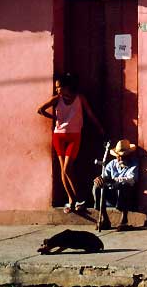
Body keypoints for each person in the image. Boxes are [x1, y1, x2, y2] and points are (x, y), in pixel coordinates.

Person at [37, 73, 104, 214]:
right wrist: (54, 118)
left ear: (66, 86)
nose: (57, 90)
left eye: (58, 87)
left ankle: (77, 199)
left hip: (75, 137)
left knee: (67, 169)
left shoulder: (80, 98)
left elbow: (90, 113)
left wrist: (99, 127)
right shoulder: (56, 99)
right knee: (64, 169)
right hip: (59, 137)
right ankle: (73, 200)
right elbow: (40, 110)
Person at [93, 139, 139, 230]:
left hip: (127, 196)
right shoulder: (112, 164)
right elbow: (104, 176)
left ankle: (124, 221)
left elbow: (131, 179)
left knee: (124, 185)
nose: (120, 158)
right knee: (97, 186)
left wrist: (114, 181)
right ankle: (105, 219)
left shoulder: (134, 163)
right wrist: (99, 179)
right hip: (112, 195)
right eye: (118, 156)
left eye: (123, 156)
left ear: (129, 155)